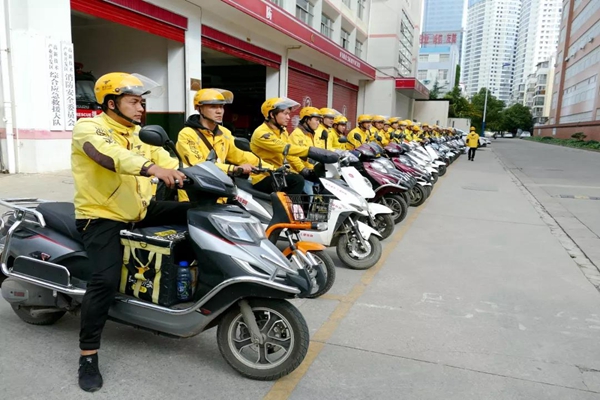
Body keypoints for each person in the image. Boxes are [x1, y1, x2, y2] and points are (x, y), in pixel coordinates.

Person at [71, 72, 194, 392]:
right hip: (101, 216)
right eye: (134, 102)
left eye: (142, 102)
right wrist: (152, 169)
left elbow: (168, 161)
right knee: (104, 280)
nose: (141, 108)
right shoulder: (89, 128)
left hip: (138, 209)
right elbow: (109, 156)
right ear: (111, 103)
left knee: (196, 213)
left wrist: (209, 174)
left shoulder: (140, 134)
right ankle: (88, 355)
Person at [175, 88, 277, 195]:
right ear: (198, 108)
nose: (219, 111)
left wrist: (273, 168)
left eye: (221, 106)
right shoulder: (187, 134)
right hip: (195, 194)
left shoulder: (224, 132)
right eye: (213, 107)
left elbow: (240, 155)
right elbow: (200, 165)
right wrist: (234, 168)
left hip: (221, 191)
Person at [250, 98, 338, 192]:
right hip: (262, 176)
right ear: (272, 114)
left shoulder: (282, 132)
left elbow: (289, 155)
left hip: (276, 173)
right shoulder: (262, 133)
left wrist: (302, 169)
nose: (288, 117)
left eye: (289, 114)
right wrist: (311, 152)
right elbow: (286, 148)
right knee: (297, 180)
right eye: (285, 114)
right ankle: (292, 202)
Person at [287, 106, 322, 194]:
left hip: (314, 173)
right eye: (316, 120)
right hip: (301, 174)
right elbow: (291, 155)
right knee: (310, 197)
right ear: (307, 120)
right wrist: (303, 170)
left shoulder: (313, 134)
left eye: (319, 120)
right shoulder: (297, 134)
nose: (318, 123)